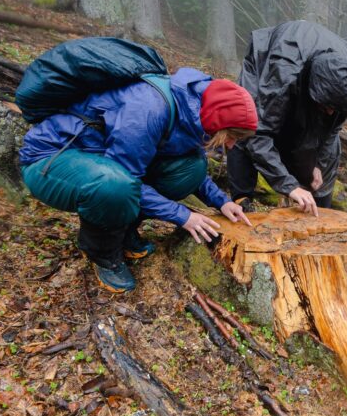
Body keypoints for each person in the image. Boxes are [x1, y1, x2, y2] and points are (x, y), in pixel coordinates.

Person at [19, 69, 257, 293]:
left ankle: (123, 230)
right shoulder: (148, 109)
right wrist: (182, 215)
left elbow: (165, 167)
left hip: (105, 161)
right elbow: (128, 178)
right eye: (232, 136)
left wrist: (221, 201)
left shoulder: (194, 113)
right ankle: (102, 252)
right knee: (115, 187)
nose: (231, 145)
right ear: (218, 119)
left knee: (191, 167)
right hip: (50, 159)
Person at [227, 20, 347, 216]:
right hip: (271, 59)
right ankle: (242, 202)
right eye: (328, 106)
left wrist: (319, 165)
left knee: (322, 153)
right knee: (244, 123)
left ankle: (321, 212)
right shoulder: (284, 72)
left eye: (336, 108)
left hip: (312, 75)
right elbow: (259, 133)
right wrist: (288, 185)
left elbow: (332, 130)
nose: (332, 112)